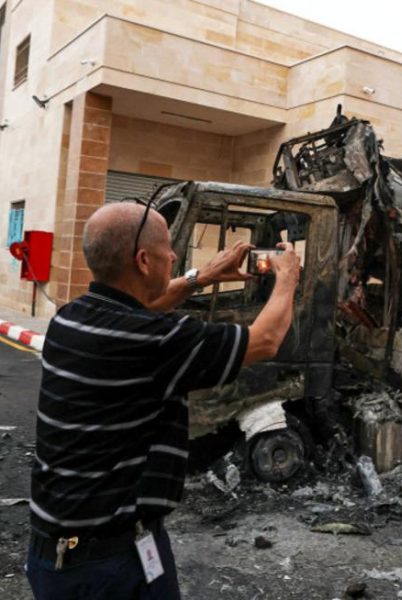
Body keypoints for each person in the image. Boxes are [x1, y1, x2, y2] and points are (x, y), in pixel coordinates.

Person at [25, 201, 300, 599]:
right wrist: (287, 277)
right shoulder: (157, 339)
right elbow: (266, 339)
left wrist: (200, 277)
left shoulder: (70, 319)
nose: (173, 256)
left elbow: (145, 306)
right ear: (142, 260)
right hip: (109, 566)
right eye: (167, 249)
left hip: (61, 553)